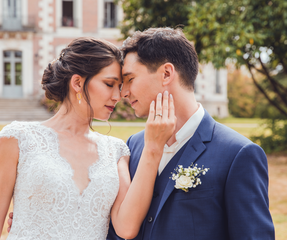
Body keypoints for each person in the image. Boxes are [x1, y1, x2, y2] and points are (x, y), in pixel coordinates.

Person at [0, 37, 176, 240]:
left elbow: (127, 228)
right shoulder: (18, 139)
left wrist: (153, 147)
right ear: (77, 82)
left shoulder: (116, 151)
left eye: (119, 86)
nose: (118, 95)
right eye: (109, 84)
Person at [105, 27, 275, 239]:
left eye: (130, 79)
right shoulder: (134, 145)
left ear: (166, 73)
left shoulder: (238, 154)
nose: (123, 93)